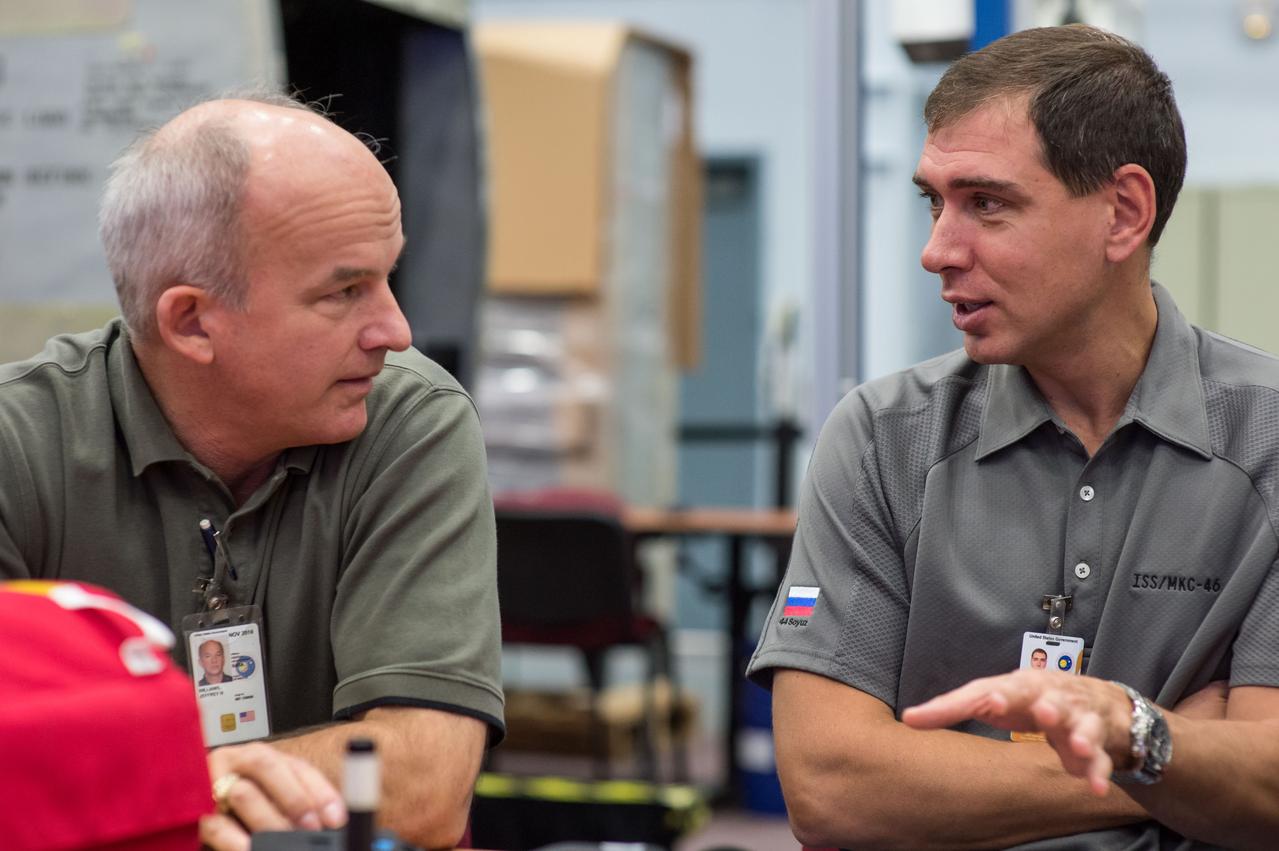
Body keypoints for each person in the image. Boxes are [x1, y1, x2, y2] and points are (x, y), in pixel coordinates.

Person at [749, 24, 1279, 850]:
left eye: (986, 204)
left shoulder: (1268, 443)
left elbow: (1270, 788)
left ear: (1123, 213)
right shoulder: (885, 441)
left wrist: (1187, 754)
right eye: (933, 200)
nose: (935, 251)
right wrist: (1155, 750)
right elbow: (829, 786)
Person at [0, 92, 503, 850]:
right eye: (344, 291)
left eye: (387, 277)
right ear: (192, 321)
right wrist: (210, 786)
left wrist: (141, 789)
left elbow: (419, 783)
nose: (395, 331)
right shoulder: (19, 444)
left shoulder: (409, 421)